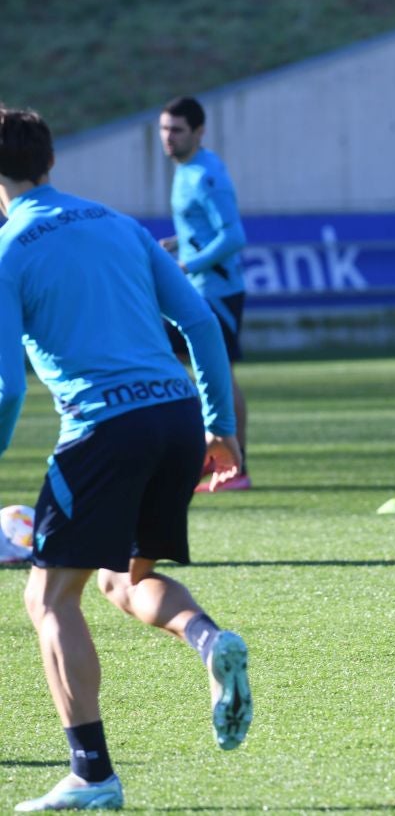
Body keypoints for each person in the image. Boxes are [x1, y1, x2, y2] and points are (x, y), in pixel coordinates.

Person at [0, 105, 253, 811]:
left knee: (47, 597)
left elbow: (6, 385)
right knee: (121, 578)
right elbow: (198, 321)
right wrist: (219, 426)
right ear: (50, 162)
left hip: (106, 428)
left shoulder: (8, 249)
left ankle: (92, 774)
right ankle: (210, 642)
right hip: (175, 416)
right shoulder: (117, 223)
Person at [158, 96, 252, 492]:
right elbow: (202, 229)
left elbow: (233, 236)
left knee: (218, 373)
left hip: (216, 290)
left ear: (199, 132)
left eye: (177, 130)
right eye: (164, 129)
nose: (168, 138)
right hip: (198, 289)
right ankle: (209, 453)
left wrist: (187, 264)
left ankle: (236, 467)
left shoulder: (205, 176)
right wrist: (177, 244)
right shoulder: (186, 169)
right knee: (175, 360)